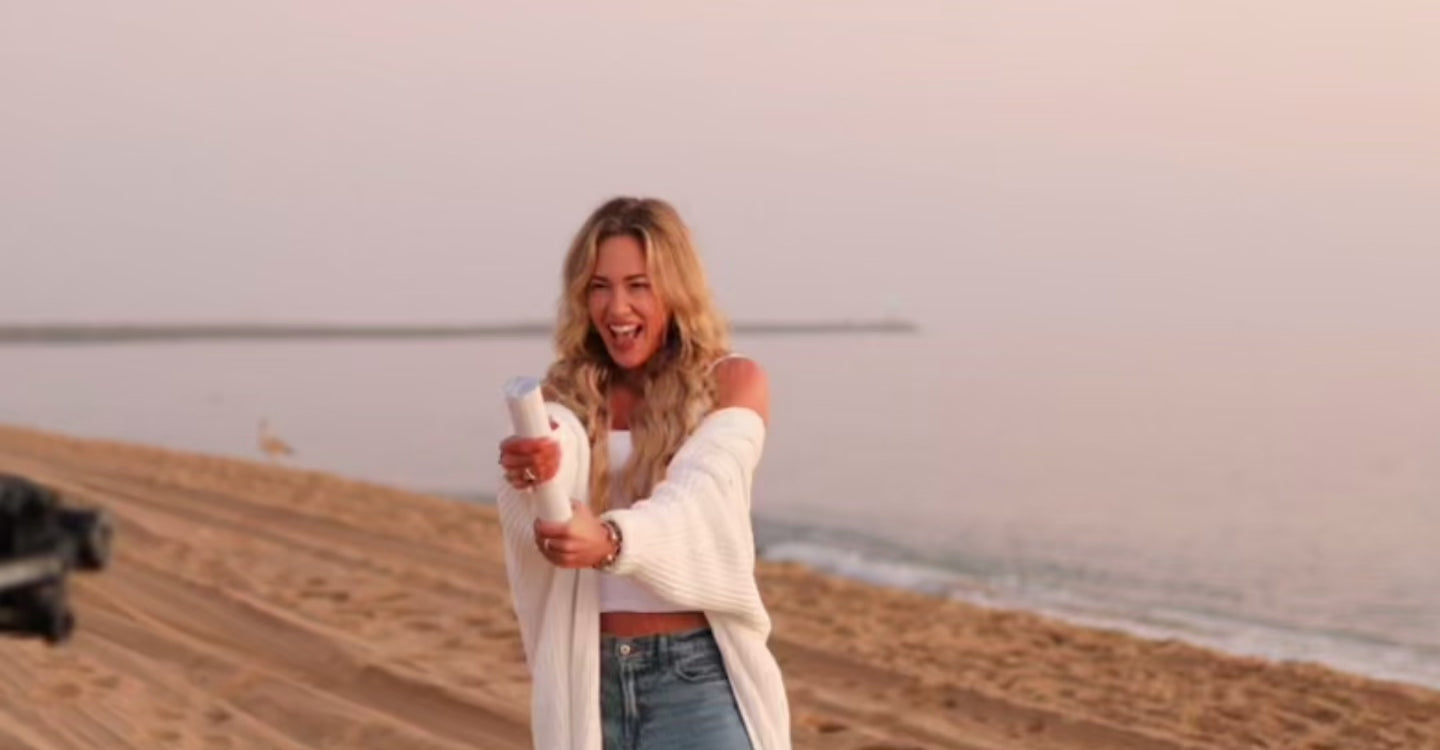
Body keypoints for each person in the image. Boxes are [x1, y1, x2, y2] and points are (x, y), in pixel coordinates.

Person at [495, 196, 791, 750]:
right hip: (591, 680)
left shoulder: (732, 382)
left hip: (695, 681)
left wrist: (610, 540)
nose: (617, 307)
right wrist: (536, 466)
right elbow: (559, 451)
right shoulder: (566, 392)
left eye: (639, 285)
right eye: (599, 286)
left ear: (676, 289)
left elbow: (702, 494)